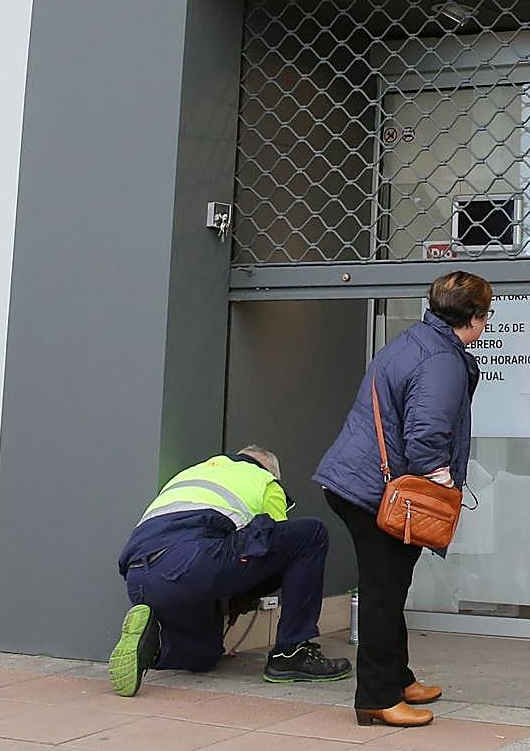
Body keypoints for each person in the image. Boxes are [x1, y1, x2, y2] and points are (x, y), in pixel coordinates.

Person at [315, 270, 489, 728]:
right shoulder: (441, 360)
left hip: (361, 482)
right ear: (473, 318)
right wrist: (446, 488)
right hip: (376, 491)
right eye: (486, 314)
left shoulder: (417, 340)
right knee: (382, 592)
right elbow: (426, 438)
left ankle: (399, 676)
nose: (487, 322)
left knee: (391, 585)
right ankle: (376, 697)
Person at [109, 446, 353, 697]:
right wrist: (247, 595)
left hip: (139, 577)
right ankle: (291, 653)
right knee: (310, 535)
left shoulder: (193, 473)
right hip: (191, 563)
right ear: (270, 469)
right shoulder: (264, 480)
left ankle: (155, 645)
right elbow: (278, 546)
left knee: (204, 657)